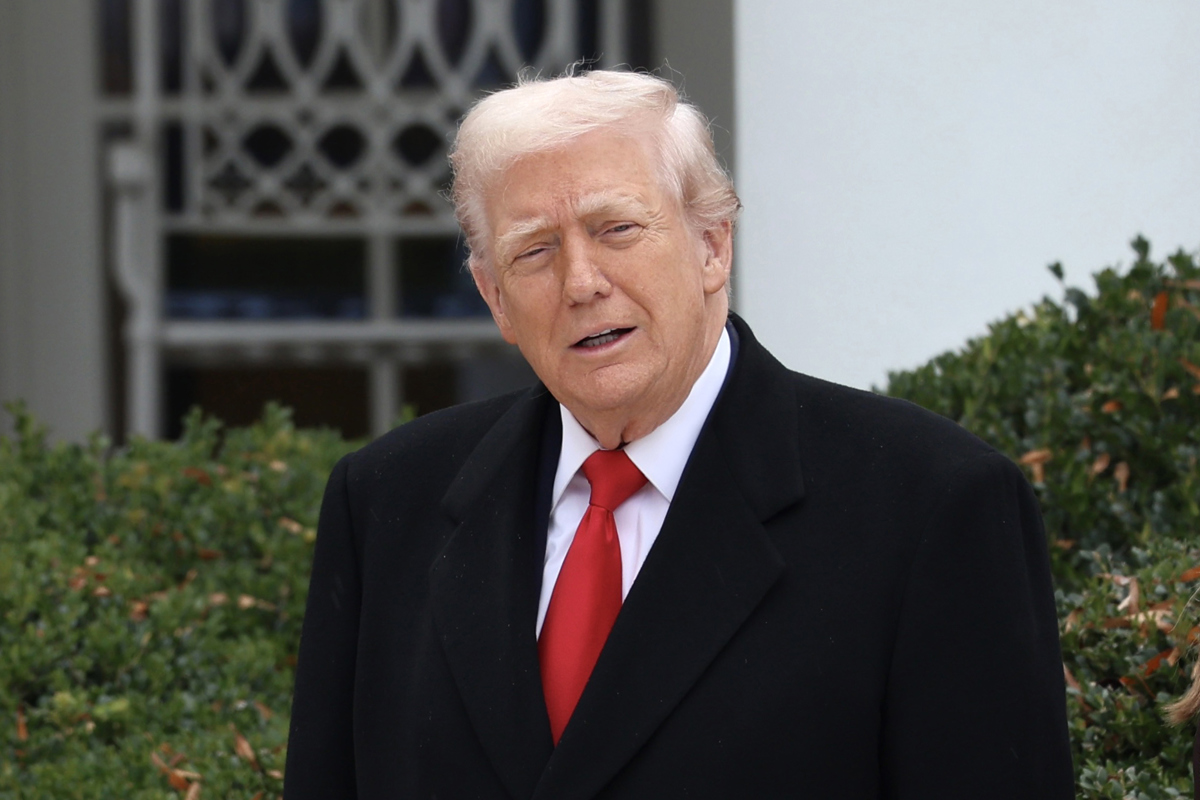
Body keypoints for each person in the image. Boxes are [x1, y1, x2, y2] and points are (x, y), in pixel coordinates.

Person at [283, 69, 1074, 798]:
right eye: (535, 251)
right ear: (495, 298)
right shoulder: (388, 502)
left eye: (618, 229)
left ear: (711, 245)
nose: (582, 283)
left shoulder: (933, 506)